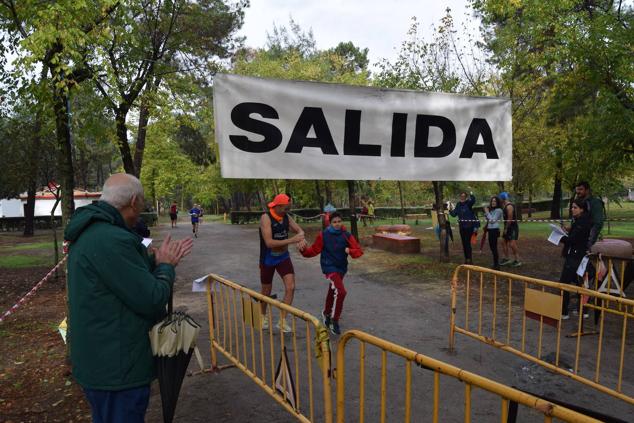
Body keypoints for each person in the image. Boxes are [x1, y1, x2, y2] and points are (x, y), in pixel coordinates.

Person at [64, 173, 193, 423]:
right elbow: (153, 298)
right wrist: (166, 268)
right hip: (117, 369)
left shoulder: (96, 232)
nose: (142, 208)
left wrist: (152, 260)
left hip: (102, 361)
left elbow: (116, 275)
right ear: (134, 201)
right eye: (143, 202)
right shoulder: (112, 239)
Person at [299, 212, 363, 335]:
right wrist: (303, 250)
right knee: (341, 291)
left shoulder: (346, 235)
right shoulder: (324, 235)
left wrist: (350, 250)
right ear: (330, 223)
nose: (337, 224)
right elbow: (313, 250)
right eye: (334, 222)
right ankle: (335, 320)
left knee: (333, 290)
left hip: (341, 268)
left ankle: (326, 313)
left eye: (339, 221)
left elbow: (358, 251)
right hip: (329, 267)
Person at [259, 193, 306, 332]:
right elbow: (269, 243)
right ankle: (262, 316)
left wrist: (301, 238)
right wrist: (293, 240)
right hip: (268, 258)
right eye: (286, 208)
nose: (287, 211)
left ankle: (282, 320)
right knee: (266, 291)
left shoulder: (286, 217)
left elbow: (300, 231)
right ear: (278, 206)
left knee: (290, 287)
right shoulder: (265, 218)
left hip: (283, 257)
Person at [559, 199, 592, 319]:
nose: (572, 209)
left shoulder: (582, 222)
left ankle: (564, 312)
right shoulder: (578, 221)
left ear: (582, 209)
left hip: (576, 257)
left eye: (575, 207)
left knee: (565, 283)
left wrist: (560, 237)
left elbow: (573, 240)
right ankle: (583, 310)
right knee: (580, 283)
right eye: (571, 207)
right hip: (576, 255)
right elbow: (574, 237)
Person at [449, 192, 479, 264]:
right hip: (462, 227)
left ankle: (469, 259)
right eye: (461, 196)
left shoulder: (468, 203)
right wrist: (450, 210)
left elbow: (473, 200)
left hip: (469, 226)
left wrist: (471, 193)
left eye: (464, 196)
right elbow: (454, 214)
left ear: (466, 197)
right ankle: (466, 259)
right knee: (464, 243)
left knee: (467, 243)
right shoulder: (458, 204)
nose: (462, 197)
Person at [574, 181, 604, 250]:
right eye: (577, 189)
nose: (578, 192)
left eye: (581, 189)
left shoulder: (595, 203)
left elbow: (598, 223)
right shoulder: (579, 202)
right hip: (577, 240)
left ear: (587, 190)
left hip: (588, 241)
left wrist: (590, 242)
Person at [499, 192, 521, 267]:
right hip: (507, 227)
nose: (500, 200)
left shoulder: (509, 206)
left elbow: (510, 218)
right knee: (503, 242)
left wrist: (506, 229)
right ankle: (507, 258)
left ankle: (517, 260)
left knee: (512, 244)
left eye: (500, 198)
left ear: (503, 198)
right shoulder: (504, 206)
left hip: (512, 228)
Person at [484, 196, 503, 270]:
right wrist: (487, 213)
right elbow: (488, 218)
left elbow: (492, 220)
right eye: (492, 201)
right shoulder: (492, 210)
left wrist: (487, 212)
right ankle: (495, 263)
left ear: (497, 202)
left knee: (494, 247)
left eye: (495, 201)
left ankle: (496, 265)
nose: (493, 202)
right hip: (490, 230)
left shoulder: (498, 210)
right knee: (492, 247)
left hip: (494, 230)